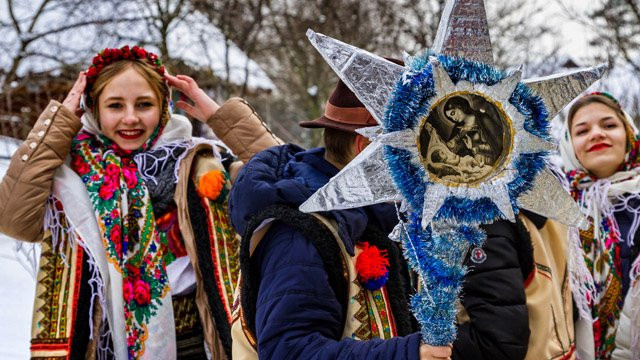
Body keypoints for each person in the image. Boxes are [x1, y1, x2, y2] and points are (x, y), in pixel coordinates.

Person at [0, 45, 281, 359]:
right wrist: (59, 123)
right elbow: (13, 218)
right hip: (104, 346)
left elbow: (287, 186)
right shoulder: (71, 176)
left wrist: (222, 119)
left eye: (144, 104)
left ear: (163, 107)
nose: (130, 118)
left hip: (201, 344)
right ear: (92, 109)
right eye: (115, 105)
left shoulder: (202, 164)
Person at [227, 79, 453, 360]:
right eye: (416, 146)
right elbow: (289, 350)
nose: (432, 162)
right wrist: (406, 353)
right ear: (365, 148)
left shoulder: (377, 216)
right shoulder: (300, 236)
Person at [559, 92, 640, 359]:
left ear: (629, 133)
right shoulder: (555, 213)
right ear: (569, 145)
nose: (596, 134)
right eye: (582, 130)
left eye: (609, 125)